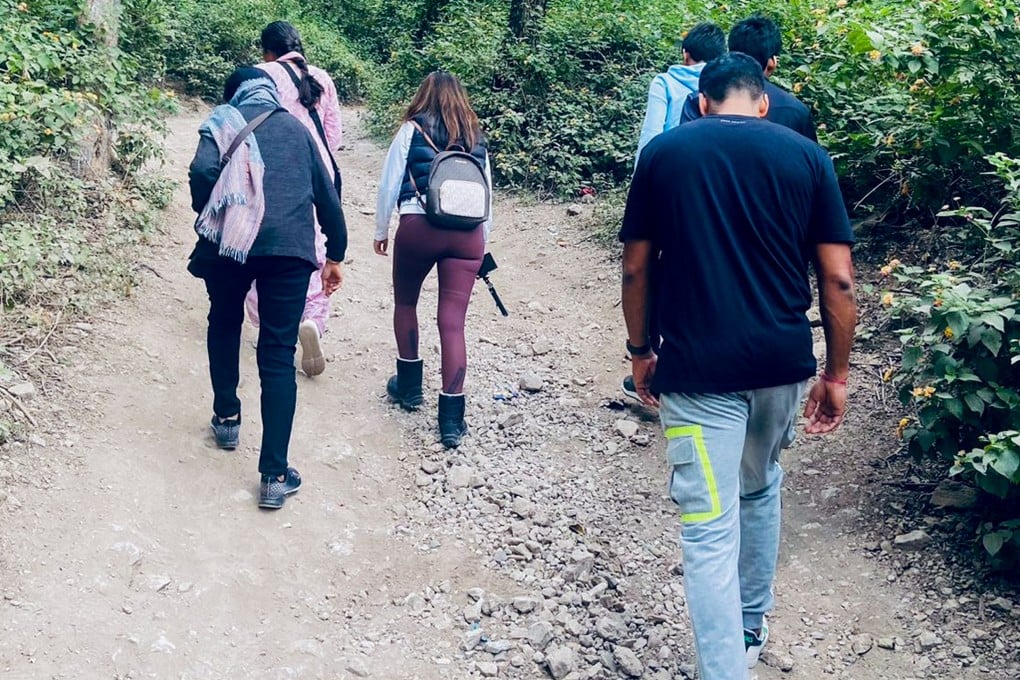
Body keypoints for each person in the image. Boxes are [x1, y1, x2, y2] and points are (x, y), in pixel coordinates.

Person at [619, 53, 856, 679]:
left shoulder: (666, 154)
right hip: (782, 364)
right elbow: (837, 278)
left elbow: (637, 265)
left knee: (706, 528)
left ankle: (725, 670)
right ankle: (750, 624)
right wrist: (835, 375)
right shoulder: (807, 157)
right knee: (761, 484)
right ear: (762, 103)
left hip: (696, 369)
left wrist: (641, 351)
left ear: (701, 103)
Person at [188, 67, 347, 509]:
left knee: (224, 321)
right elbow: (327, 193)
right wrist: (335, 253)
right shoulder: (296, 129)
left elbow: (202, 170)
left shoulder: (223, 121)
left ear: (234, 94)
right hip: (290, 250)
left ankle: (227, 417)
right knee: (277, 354)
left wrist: (219, 211)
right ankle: (274, 475)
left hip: (229, 246)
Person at [374, 71, 493, 449]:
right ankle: (451, 422)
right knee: (453, 323)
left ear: (424, 95)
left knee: (406, 302)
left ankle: (409, 389)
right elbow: (488, 196)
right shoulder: (477, 137)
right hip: (468, 235)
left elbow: (389, 183)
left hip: (419, 225)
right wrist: (483, 245)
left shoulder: (412, 129)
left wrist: (381, 230)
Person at [242, 21, 345, 378]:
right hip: (317, 178)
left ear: (266, 50)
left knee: (262, 246)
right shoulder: (322, 78)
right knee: (312, 250)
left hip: (271, 178)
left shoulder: (259, 75)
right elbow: (333, 138)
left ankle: (272, 322)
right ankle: (313, 321)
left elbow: (243, 126)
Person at [634, 21, 725, 163]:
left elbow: (651, 134)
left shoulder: (665, 83)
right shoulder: (726, 85)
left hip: (670, 167)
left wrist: (639, 176)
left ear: (685, 54)